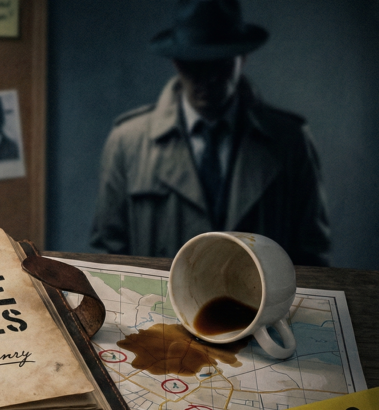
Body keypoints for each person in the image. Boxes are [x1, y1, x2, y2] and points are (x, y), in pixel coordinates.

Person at [89, 0, 330, 266]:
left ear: (242, 58)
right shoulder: (127, 142)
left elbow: (312, 258)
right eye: (194, 64)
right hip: (157, 305)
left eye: (219, 63)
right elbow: (107, 256)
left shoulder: (291, 141)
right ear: (176, 62)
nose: (208, 78)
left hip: (262, 305)